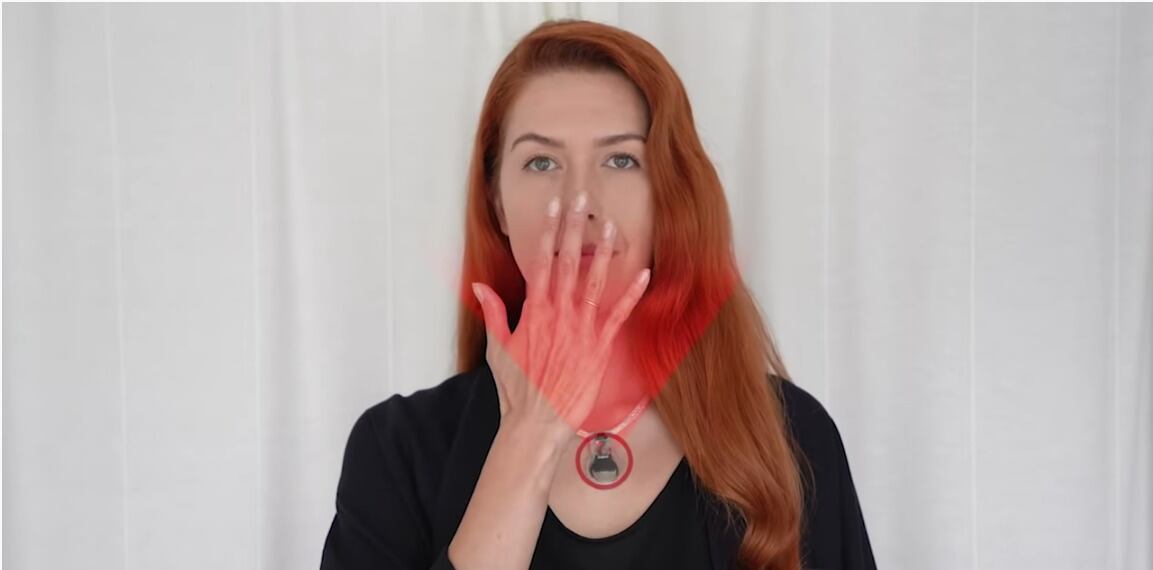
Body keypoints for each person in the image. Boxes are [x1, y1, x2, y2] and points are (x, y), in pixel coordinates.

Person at [321, 18, 876, 570]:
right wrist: (530, 436)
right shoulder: (396, 451)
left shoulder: (793, 438)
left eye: (621, 160)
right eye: (541, 162)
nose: (579, 201)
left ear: (669, 196)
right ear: (497, 204)